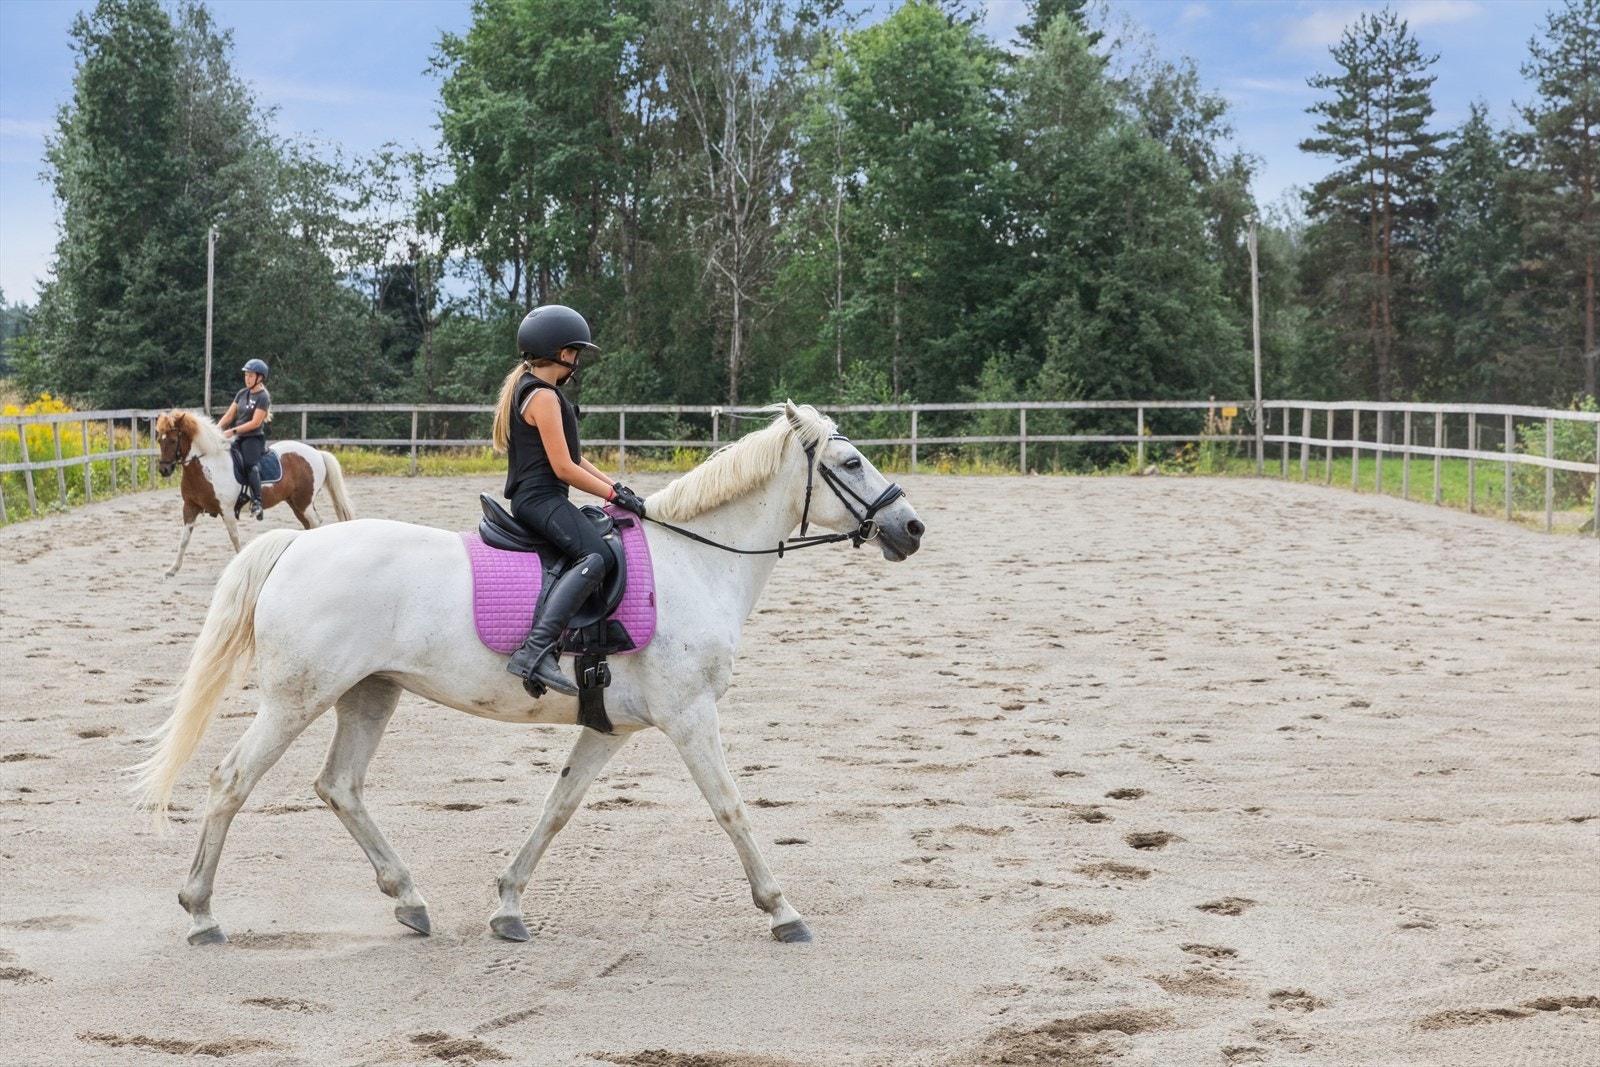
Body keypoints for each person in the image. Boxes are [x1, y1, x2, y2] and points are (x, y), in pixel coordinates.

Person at [492, 304, 647, 697]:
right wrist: (611, 495)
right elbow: (563, 468)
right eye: (575, 353)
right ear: (562, 353)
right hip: (540, 499)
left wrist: (616, 487)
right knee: (596, 556)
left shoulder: (533, 388)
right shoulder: (542, 397)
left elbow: (576, 458)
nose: (577, 362)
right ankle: (535, 651)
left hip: (538, 497)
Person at [218, 358, 272, 520]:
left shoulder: (263, 397)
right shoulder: (242, 393)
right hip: (238, 437)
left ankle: (257, 502)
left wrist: (232, 431)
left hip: (253, 438)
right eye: (246, 375)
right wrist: (216, 430)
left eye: (250, 375)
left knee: (250, 464)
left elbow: (255, 423)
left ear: (260, 378)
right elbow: (229, 415)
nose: (247, 378)